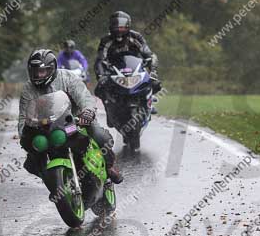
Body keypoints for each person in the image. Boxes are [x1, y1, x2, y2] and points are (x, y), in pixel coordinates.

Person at [18, 49, 123, 188]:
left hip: (75, 122)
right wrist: (25, 133)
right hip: (46, 128)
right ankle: (53, 183)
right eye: (35, 71)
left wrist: (87, 112)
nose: (38, 75)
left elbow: (84, 98)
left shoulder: (67, 77)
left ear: (52, 69)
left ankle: (109, 167)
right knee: (31, 162)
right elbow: (23, 117)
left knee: (100, 135)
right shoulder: (27, 89)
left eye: (42, 71)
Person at [94, 11, 161, 105]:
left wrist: (153, 71)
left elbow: (149, 54)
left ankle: (148, 100)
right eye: (116, 25)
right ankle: (109, 104)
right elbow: (100, 59)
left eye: (121, 25)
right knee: (99, 89)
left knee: (156, 84)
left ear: (128, 24)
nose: (119, 28)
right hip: (114, 71)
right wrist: (101, 76)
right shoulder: (106, 40)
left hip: (136, 69)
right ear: (111, 25)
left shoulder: (136, 36)